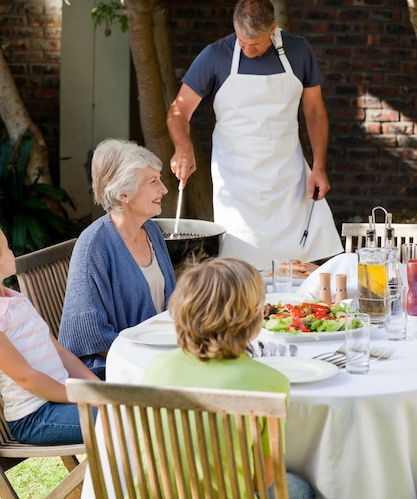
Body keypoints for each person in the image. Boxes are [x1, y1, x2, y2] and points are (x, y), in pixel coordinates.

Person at [167, 0, 343, 269]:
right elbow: (179, 112)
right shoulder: (215, 55)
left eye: (255, 44)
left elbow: (314, 111)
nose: (248, 50)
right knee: (240, 265)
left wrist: (319, 165)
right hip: (236, 182)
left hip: (289, 178)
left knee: (299, 266)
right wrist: (183, 146)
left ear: (273, 30)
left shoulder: (298, 51)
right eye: (242, 41)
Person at [142, 257, 315, 498]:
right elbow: (262, 480)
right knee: (301, 487)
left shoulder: (156, 368)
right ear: (254, 321)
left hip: (162, 494)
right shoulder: (270, 382)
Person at [58, 139, 176, 380]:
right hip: (114, 370)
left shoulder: (151, 231)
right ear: (124, 194)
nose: (163, 189)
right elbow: (88, 335)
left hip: (159, 357)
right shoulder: (95, 245)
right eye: (153, 181)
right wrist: (151, 360)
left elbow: (170, 303)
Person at [0, 229, 99, 445]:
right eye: (6, 248)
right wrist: (83, 396)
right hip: (35, 416)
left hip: (63, 396)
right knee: (121, 421)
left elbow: (60, 352)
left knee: (131, 405)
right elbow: (27, 378)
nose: (11, 251)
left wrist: (98, 388)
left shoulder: (17, 300)